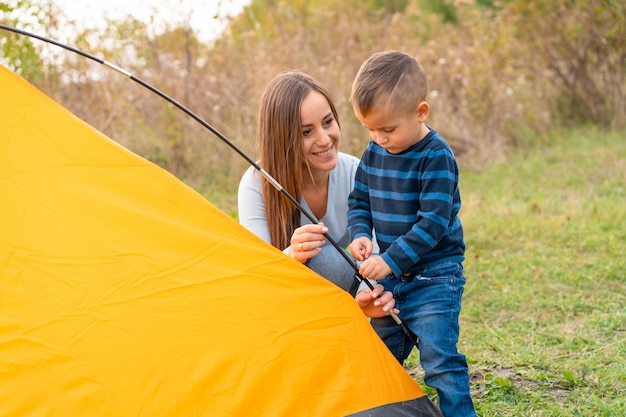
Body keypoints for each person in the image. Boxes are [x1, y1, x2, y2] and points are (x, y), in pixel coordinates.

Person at [347, 51, 476, 417]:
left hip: (435, 278)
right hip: (393, 279)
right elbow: (360, 200)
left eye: (387, 129)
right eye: (370, 129)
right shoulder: (374, 152)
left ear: (421, 112)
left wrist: (388, 259)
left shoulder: (436, 157)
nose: (379, 138)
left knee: (440, 361)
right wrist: (360, 234)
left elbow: (432, 225)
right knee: (379, 354)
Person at [237, 71, 395, 318]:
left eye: (328, 122)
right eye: (306, 132)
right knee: (318, 257)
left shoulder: (356, 172)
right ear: (282, 139)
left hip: (348, 288)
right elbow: (256, 273)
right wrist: (291, 256)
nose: (324, 139)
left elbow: (378, 250)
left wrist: (369, 293)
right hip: (282, 300)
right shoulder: (256, 185)